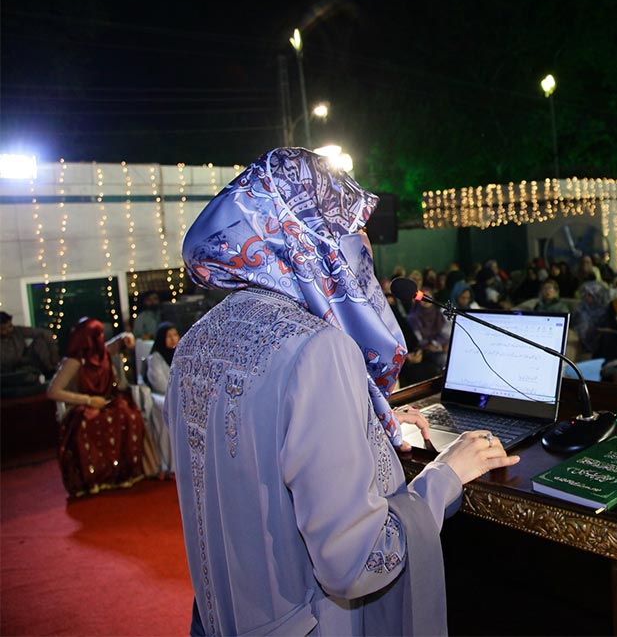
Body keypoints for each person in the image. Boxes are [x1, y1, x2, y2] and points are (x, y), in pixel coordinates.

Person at [167, 147, 518, 636]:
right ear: (309, 240)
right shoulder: (317, 349)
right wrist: (444, 475)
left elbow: (260, 449)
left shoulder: (196, 342)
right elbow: (358, 561)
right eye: (349, 226)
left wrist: (373, 424)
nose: (364, 245)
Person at [46, 318, 156, 497]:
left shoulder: (101, 353)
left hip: (107, 401)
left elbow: (117, 343)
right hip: (84, 405)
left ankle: (122, 473)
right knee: (88, 422)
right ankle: (95, 478)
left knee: (129, 415)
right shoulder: (74, 362)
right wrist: (88, 400)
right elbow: (53, 391)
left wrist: (126, 337)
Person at [142, 321, 178, 476]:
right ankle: (168, 464)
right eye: (168, 336)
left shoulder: (181, 353)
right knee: (165, 407)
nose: (173, 339)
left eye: (175, 335)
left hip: (179, 393)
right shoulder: (155, 358)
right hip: (162, 395)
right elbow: (160, 383)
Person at [0, 311, 59, 398]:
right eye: (3, 329)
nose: (9, 330)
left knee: (40, 342)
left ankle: (51, 373)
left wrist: (54, 353)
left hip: (26, 363)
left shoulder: (17, 331)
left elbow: (45, 333)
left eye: (10, 326)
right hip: (8, 373)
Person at [407, 286, 451, 369]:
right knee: (444, 360)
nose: (425, 301)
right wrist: (432, 346)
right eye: (423, 297)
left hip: (439, 348)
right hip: (422, 352)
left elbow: (445, 335)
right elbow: (418, 339)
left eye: (428, 297)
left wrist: (438, 345)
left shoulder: (439, 315)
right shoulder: (413, 318)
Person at [571, 280, 611, 355]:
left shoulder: (605, 311)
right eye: (585, 294)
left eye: (589, 295)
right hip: (578, 339)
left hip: (597, 341)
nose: (586, 297)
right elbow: (574, 323)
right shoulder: (581, 307)